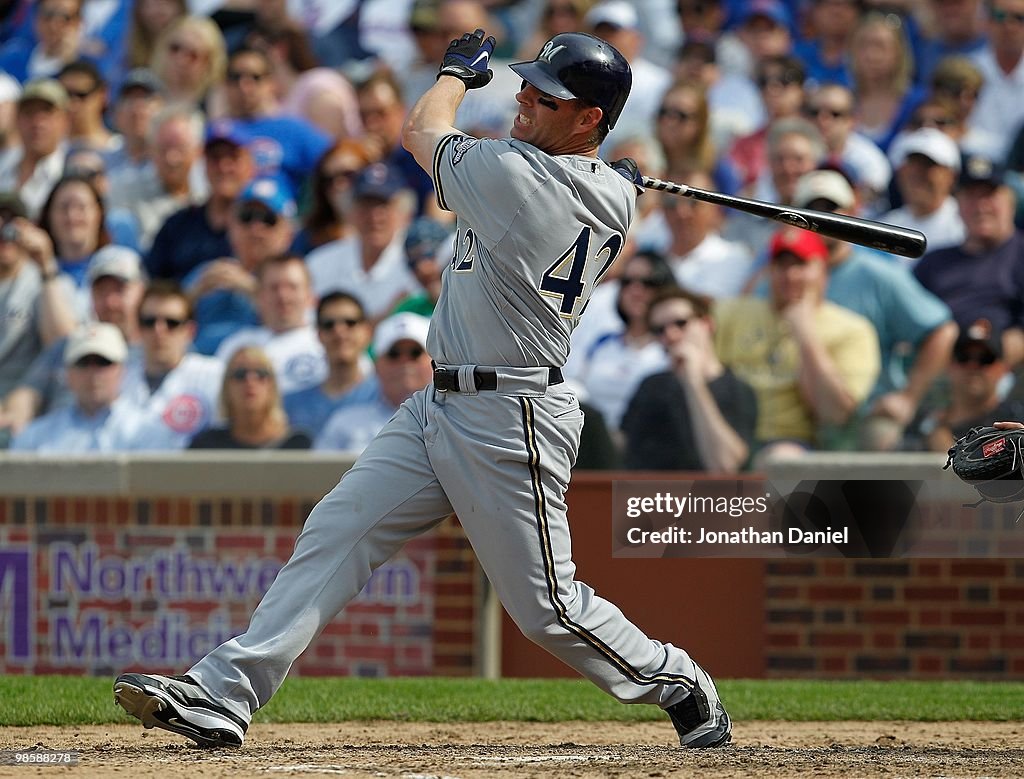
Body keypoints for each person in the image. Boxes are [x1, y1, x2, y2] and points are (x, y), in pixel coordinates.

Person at [113, 29, 732, 751]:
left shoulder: (519, 176)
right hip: (438, 401)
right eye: (525, 84)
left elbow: (421, 129)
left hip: (512, 413)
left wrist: (452, 74)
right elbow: (595, 184)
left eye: (547, 95)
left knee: (549, 609)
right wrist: (614, 175)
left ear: (589, 118)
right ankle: (225, 692)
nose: (523, 97)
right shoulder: (612, 197)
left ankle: (679, 678)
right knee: (337, 531)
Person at [715, 227, 880, 458]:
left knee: (782, 459)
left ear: (824, 270)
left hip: (797, 443)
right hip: (726, 435)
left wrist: (805, 333)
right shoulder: (732, 312)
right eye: (781, 265)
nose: (790, 275)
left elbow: (834, 413)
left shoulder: (852, 329)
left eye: (801, 265)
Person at [0, 244, 144, 438]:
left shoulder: (157, 347)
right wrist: (15, 416)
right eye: (101, 291)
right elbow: (28, 392)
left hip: (128, 449)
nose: (110, 302)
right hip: (58, 449)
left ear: (141, 291)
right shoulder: (66, 346)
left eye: (120, 290)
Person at [622, 286, 756, 472]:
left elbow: (726, 465)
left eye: (681, 323)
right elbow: (626, 454)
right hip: (652, 498)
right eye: (659, 330)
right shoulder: (651, 386)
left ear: (707, 324)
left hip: (710, 499)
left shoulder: (738, 388)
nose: (670, 335)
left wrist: (693, 383)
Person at [913, 155, 1024, 366]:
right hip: (936, 372)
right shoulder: (933, 263)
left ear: (1010, 201)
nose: (981, 206)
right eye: (971, 196)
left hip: (1006, 373)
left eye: (989, 195)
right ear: (958, 206)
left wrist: (977, 360)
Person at [304, 162, 420, 321]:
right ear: (350, 211)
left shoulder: (418, 261)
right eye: (366, 205)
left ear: (403, 212)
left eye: (383, 205)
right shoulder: (320, 262)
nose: (374, 216)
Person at [120, 280, 224, 450]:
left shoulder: (213, 375)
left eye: (172, 323)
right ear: (138, 329)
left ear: (190, 331)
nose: (159, 331)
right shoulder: (117, 379)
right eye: (149, 322)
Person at [9, 322, 142, 452]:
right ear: (68, 374)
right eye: (83, 363)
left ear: (122, 370)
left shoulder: (146, 432)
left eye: (103, 362)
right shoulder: (34, 438)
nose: (93, 373)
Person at [314, 312, 433, 452]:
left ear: (434, 361)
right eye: (393, 354)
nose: (404, 362)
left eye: (415, 353)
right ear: (376, 365)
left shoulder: (453, 420)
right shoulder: (344, 423)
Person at [0, 192, 77, 405]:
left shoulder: (47, 281)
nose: (5, 233)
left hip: (22, 405)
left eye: (12, 223)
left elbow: (62, 347)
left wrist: (45, 264)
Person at [213, 253, 325, 395]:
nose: (283, 296)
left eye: (292, 287)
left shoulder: (327, 342)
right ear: (259, 297)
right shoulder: (236, 346)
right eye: (274, 288)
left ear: (311, 297)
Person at [904, 320, 1024, 452]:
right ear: (949, 365)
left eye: (985, 359)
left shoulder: (1015, 424)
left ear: (1004, 369)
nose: (972, 366)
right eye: (963, 357)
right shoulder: (921, 422)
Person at [282, 291, 377, 438]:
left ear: (366, 332)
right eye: (329, 324)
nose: (339, 332)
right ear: (318, 335)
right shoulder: (292, 405)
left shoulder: (385, 398)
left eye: (350, 322)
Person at [187, 345, 311, 450]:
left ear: (273, 386)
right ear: (226, 387)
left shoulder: (298, 445)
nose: (250, 381)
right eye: (240, 374)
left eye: (261, 374)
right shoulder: (207, 447)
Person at [881, 127, 966, 256]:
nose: (917, 174)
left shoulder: (963, 228)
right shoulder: (886, 225)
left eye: (928, 166)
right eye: (912, 164)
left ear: (951, 176)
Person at [0, 79, 69, 221]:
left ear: (64, 120)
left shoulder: (69, 170)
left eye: (47, 113)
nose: (38, 123)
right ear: (17, 119)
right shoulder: (3, 164)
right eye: (29, 113)